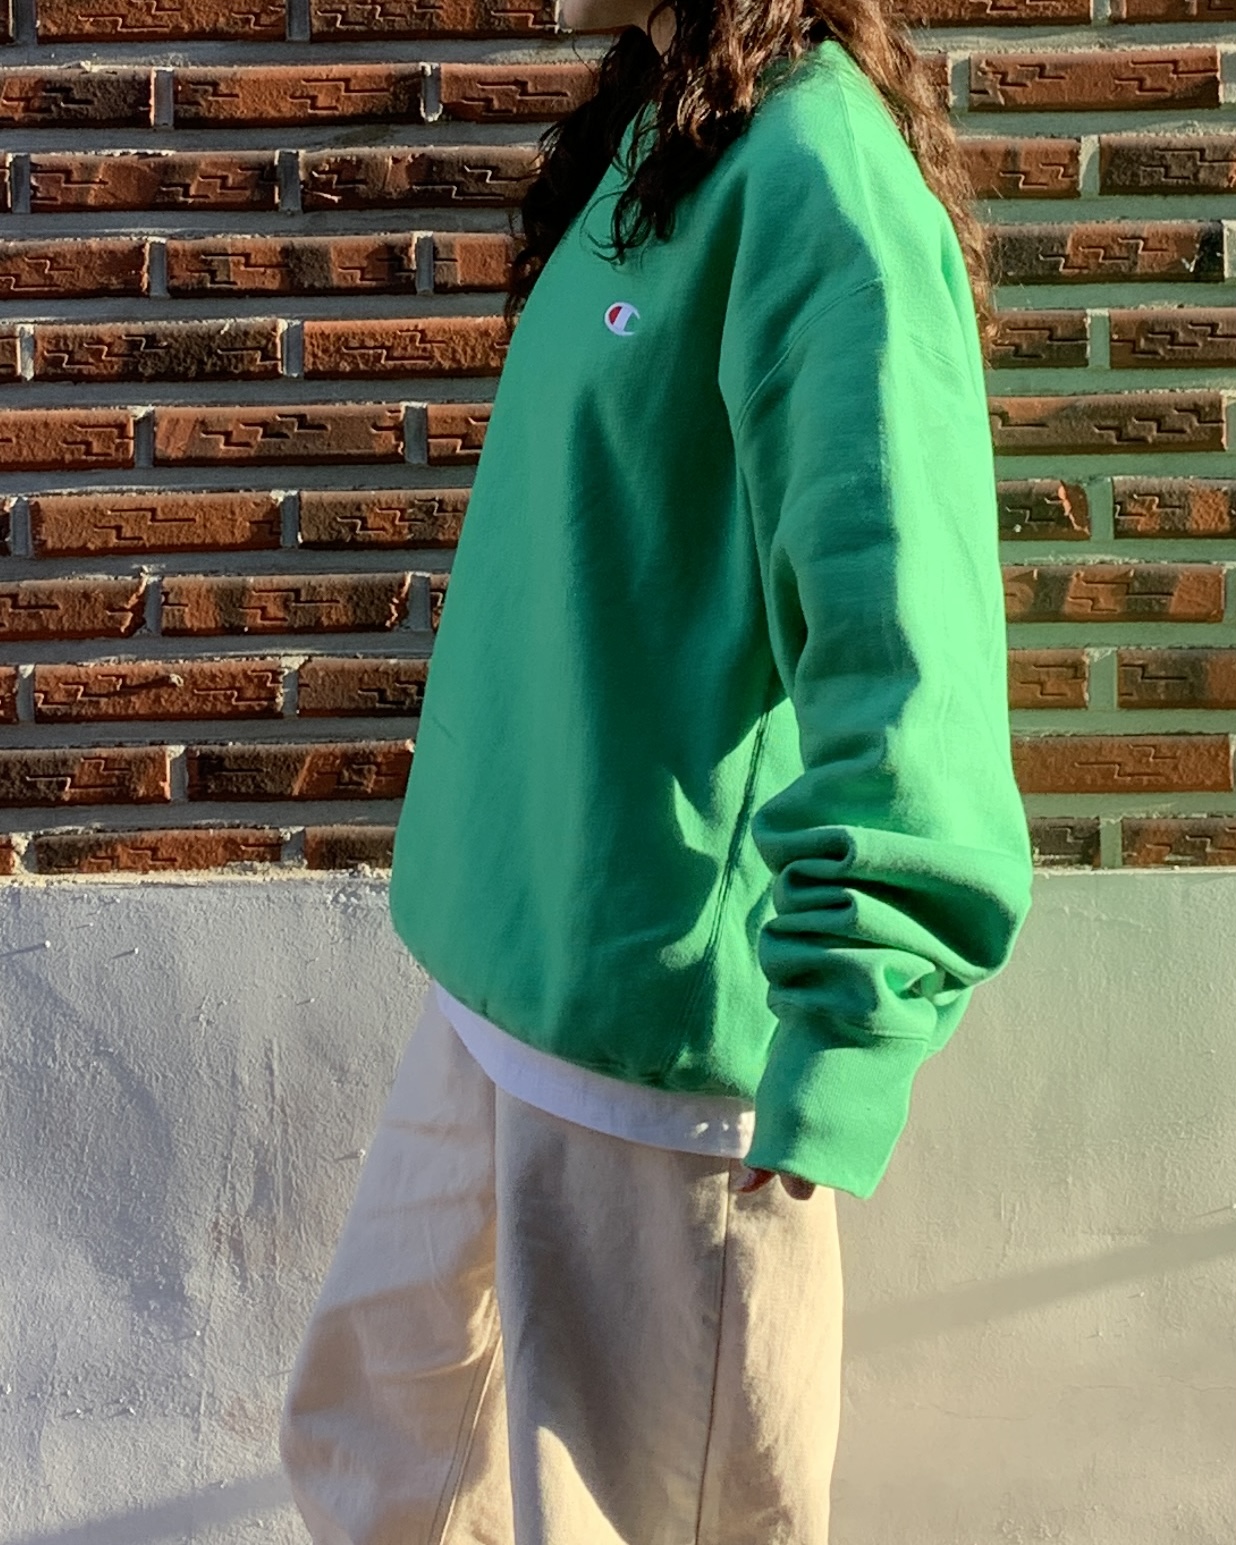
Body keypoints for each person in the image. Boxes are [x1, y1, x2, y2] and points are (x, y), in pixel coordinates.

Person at [279, 0, 1035, 1537]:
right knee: (376, 1460)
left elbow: (909, 652)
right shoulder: (671, 130)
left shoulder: (819, 174)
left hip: (660, 1056)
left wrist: (844, 1041)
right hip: (505, 986)